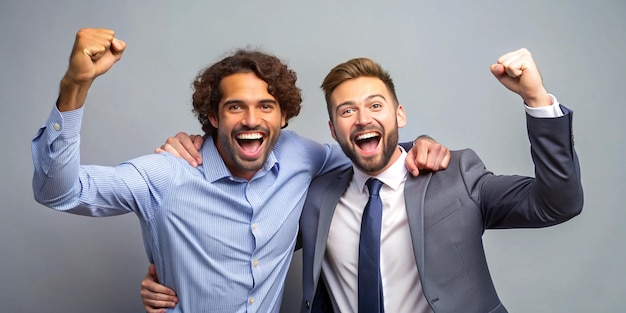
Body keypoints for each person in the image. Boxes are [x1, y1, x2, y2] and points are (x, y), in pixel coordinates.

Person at [31, 28, 449, 313]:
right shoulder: (166, 174)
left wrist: (419, 145)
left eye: (265, 106)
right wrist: (75, 85)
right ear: (212, 116)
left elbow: (368, 150)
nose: (251, 119)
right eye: (235, 107)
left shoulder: (301, 157)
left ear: (283, 116)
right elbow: (60, 192)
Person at [141, 49, 584, 312]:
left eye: (375, 105)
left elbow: (557, 203)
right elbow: (247, 244)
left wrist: (536, 100)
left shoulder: (456, 175)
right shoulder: (316, 197)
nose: (362, 118)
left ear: (399, 116)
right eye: (346, 111)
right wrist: (172, 280)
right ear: (334, 130)